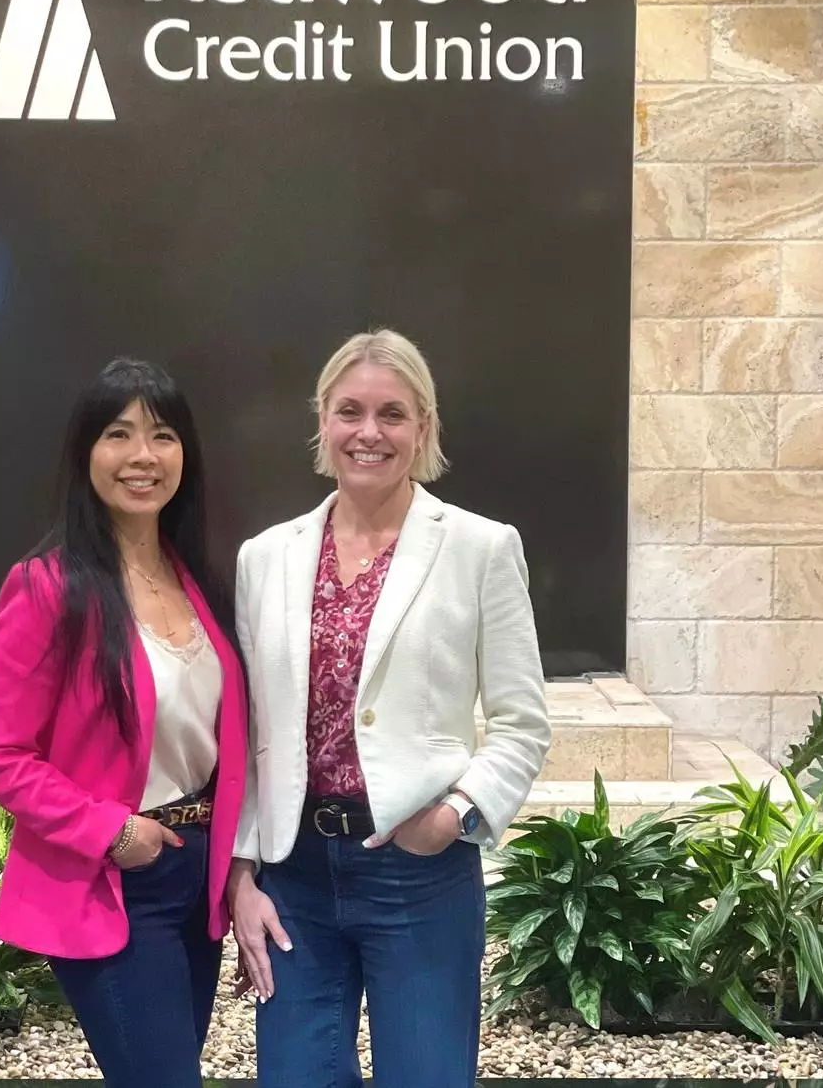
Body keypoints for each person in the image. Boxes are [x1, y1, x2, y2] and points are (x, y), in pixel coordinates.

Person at [227, 329, 551, 1088]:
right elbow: (251, 735)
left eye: (392, 414)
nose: (368, 432)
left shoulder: (480, 547)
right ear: (323, 421)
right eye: (349, 411)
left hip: (417, 872)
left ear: (423, 428)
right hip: (293, 876)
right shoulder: (265, 556)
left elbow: (522, 719)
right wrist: (242, 877)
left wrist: (453, 817)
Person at [0, 358, 248, 1088]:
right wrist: (113, 831)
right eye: (118, 434)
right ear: (85, 452)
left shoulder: (201, 582)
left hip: (196, 872)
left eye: (161, 434)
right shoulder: (47, 588)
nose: (142, 456)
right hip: (116, 875)